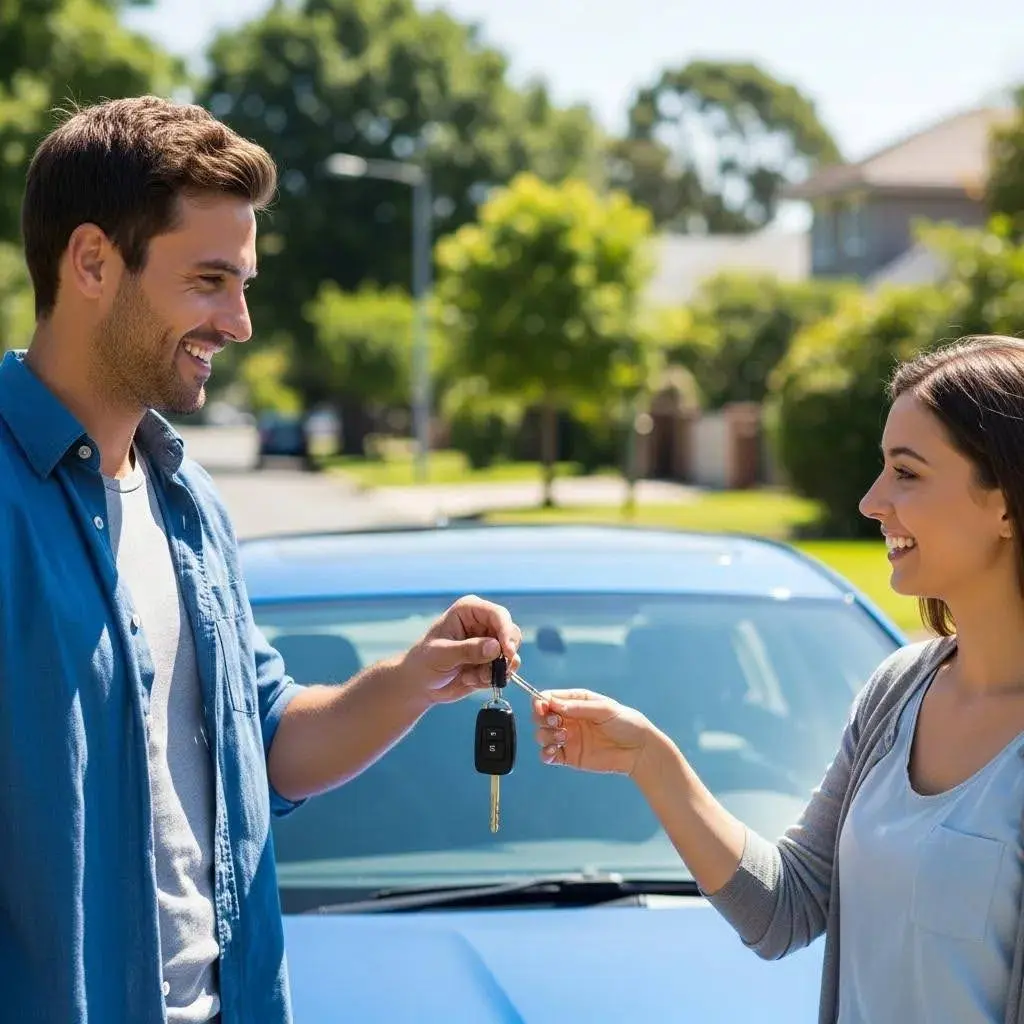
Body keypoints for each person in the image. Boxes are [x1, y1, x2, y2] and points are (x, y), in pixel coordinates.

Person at [0, 96, 521, 1024]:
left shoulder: (188, 501)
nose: (239, 323)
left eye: (242, 285)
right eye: (209, 281)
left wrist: (413, 677)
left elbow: (269, 743)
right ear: (91, 261)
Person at [531, 333, 1024, 1024]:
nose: (872, 500)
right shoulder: (896, 693)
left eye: (907, 473)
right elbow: (783, 910)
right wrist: (651, 760)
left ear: (1004, 502)